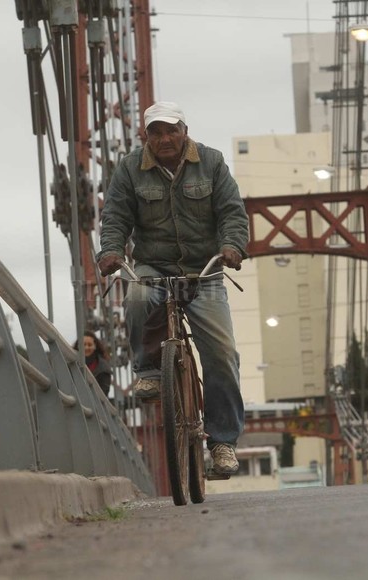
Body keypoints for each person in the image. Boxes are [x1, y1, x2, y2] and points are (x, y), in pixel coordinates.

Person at [96, 101, 248, 475]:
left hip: (203, 272)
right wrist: (112, 250)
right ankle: (149, 370)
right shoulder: (130, 168)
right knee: (136, 296)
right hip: (155, 267)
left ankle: (223, 442)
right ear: (145, 136)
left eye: (171, 131)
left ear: (185, 131)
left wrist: (232, 245)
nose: (164, 139)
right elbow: (115, 216)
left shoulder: (211, 162)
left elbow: (231, 212)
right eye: (156, 132)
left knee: (223, 353)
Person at [74, 330, 112, 398]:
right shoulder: (71, 363)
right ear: (78, 346)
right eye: (83, 345)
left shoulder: (104, 368)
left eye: (89, 345)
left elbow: (103, 393)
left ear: (95, 346)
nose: (86, 348)